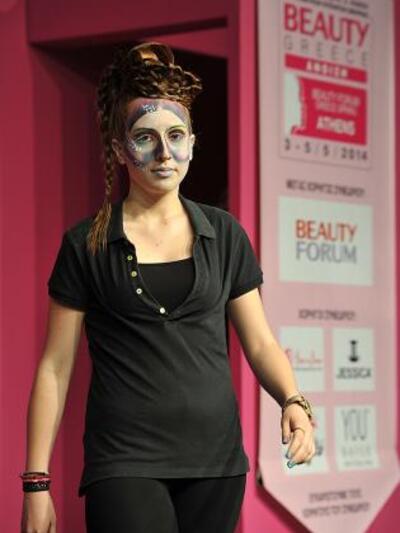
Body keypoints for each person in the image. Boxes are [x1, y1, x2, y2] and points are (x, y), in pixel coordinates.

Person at [20, 41, 316, 533]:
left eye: (176, 136)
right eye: (145, 137)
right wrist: (36, 482)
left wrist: (294, 402)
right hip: (123, 461)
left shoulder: (224, 235)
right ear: (120, 149)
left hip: (216, 465)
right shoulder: (86, 243)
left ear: (192, 143)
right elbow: (55, 367)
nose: (163, 153)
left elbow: (261, 343)